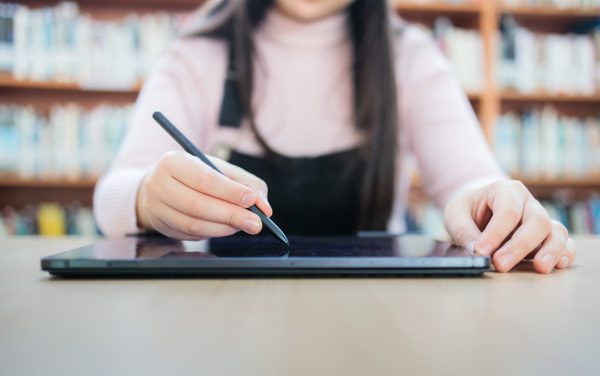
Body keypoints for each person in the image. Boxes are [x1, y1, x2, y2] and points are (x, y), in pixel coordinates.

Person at [94, 0, 576, 273]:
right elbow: (116, 192)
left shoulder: (410, 55)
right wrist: (143, 197)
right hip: (223, 309)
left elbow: (468, 179)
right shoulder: (198, 51)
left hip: (374, 317)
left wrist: (490, 205)